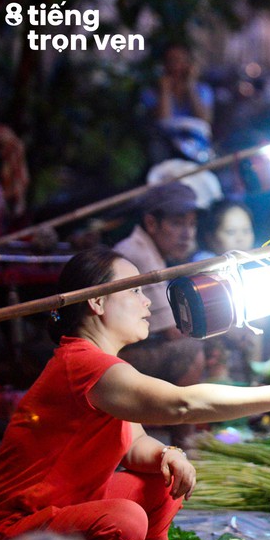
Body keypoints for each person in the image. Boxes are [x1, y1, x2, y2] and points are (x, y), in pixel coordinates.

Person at [0, 247, 270, 540]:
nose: (148, 302)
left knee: (164, 479)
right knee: (125, 520)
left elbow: (133, 444)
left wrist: (166, 454)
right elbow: (181, 404)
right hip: (13, 532)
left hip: (66, 505)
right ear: (96, 301)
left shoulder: (103, 365)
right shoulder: (82, 364)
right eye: (135, 291)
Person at [114, 182, 205, 446]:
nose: (187, 233)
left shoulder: (149, 250)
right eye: (177, 223)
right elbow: (172, 330)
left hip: (128, 348)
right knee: (191, 349)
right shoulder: (138, 255)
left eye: (191, 224)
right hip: (115, 356)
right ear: (151, 223)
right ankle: (183, 439)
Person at [193, 200, 260, 384]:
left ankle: (254, 380)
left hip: (237, 333)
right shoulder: (204, 265)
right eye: (230, 232)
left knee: (259, 318)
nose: (241, 238)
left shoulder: (242, 266)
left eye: (246, 231)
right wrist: (235, 332)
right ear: (211, 237)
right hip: (208, 338)